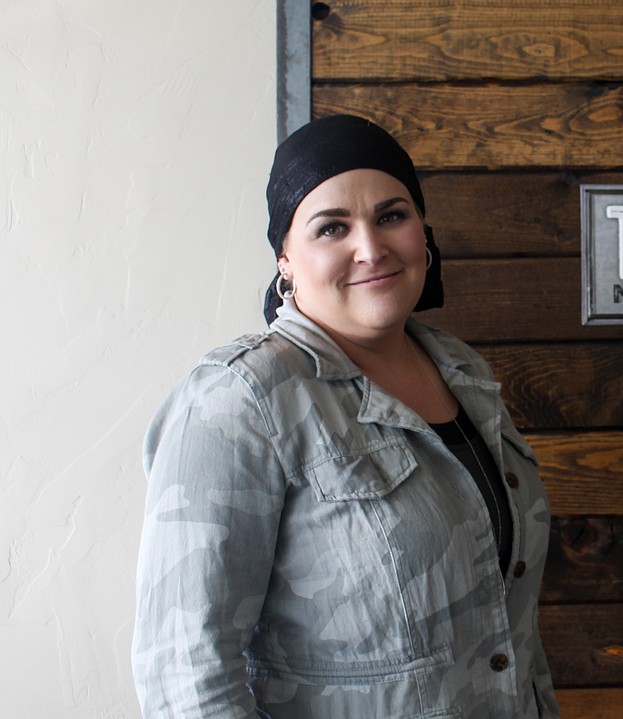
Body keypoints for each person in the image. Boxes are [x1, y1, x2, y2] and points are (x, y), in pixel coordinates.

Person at [133, 115, 560, 718]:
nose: (370, 248)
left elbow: (511, 627)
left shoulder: (462, 370)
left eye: (391, 216)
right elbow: (186, 674)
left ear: (423, 232)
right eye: (332, 227)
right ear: (285, 258)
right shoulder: (240, 402)